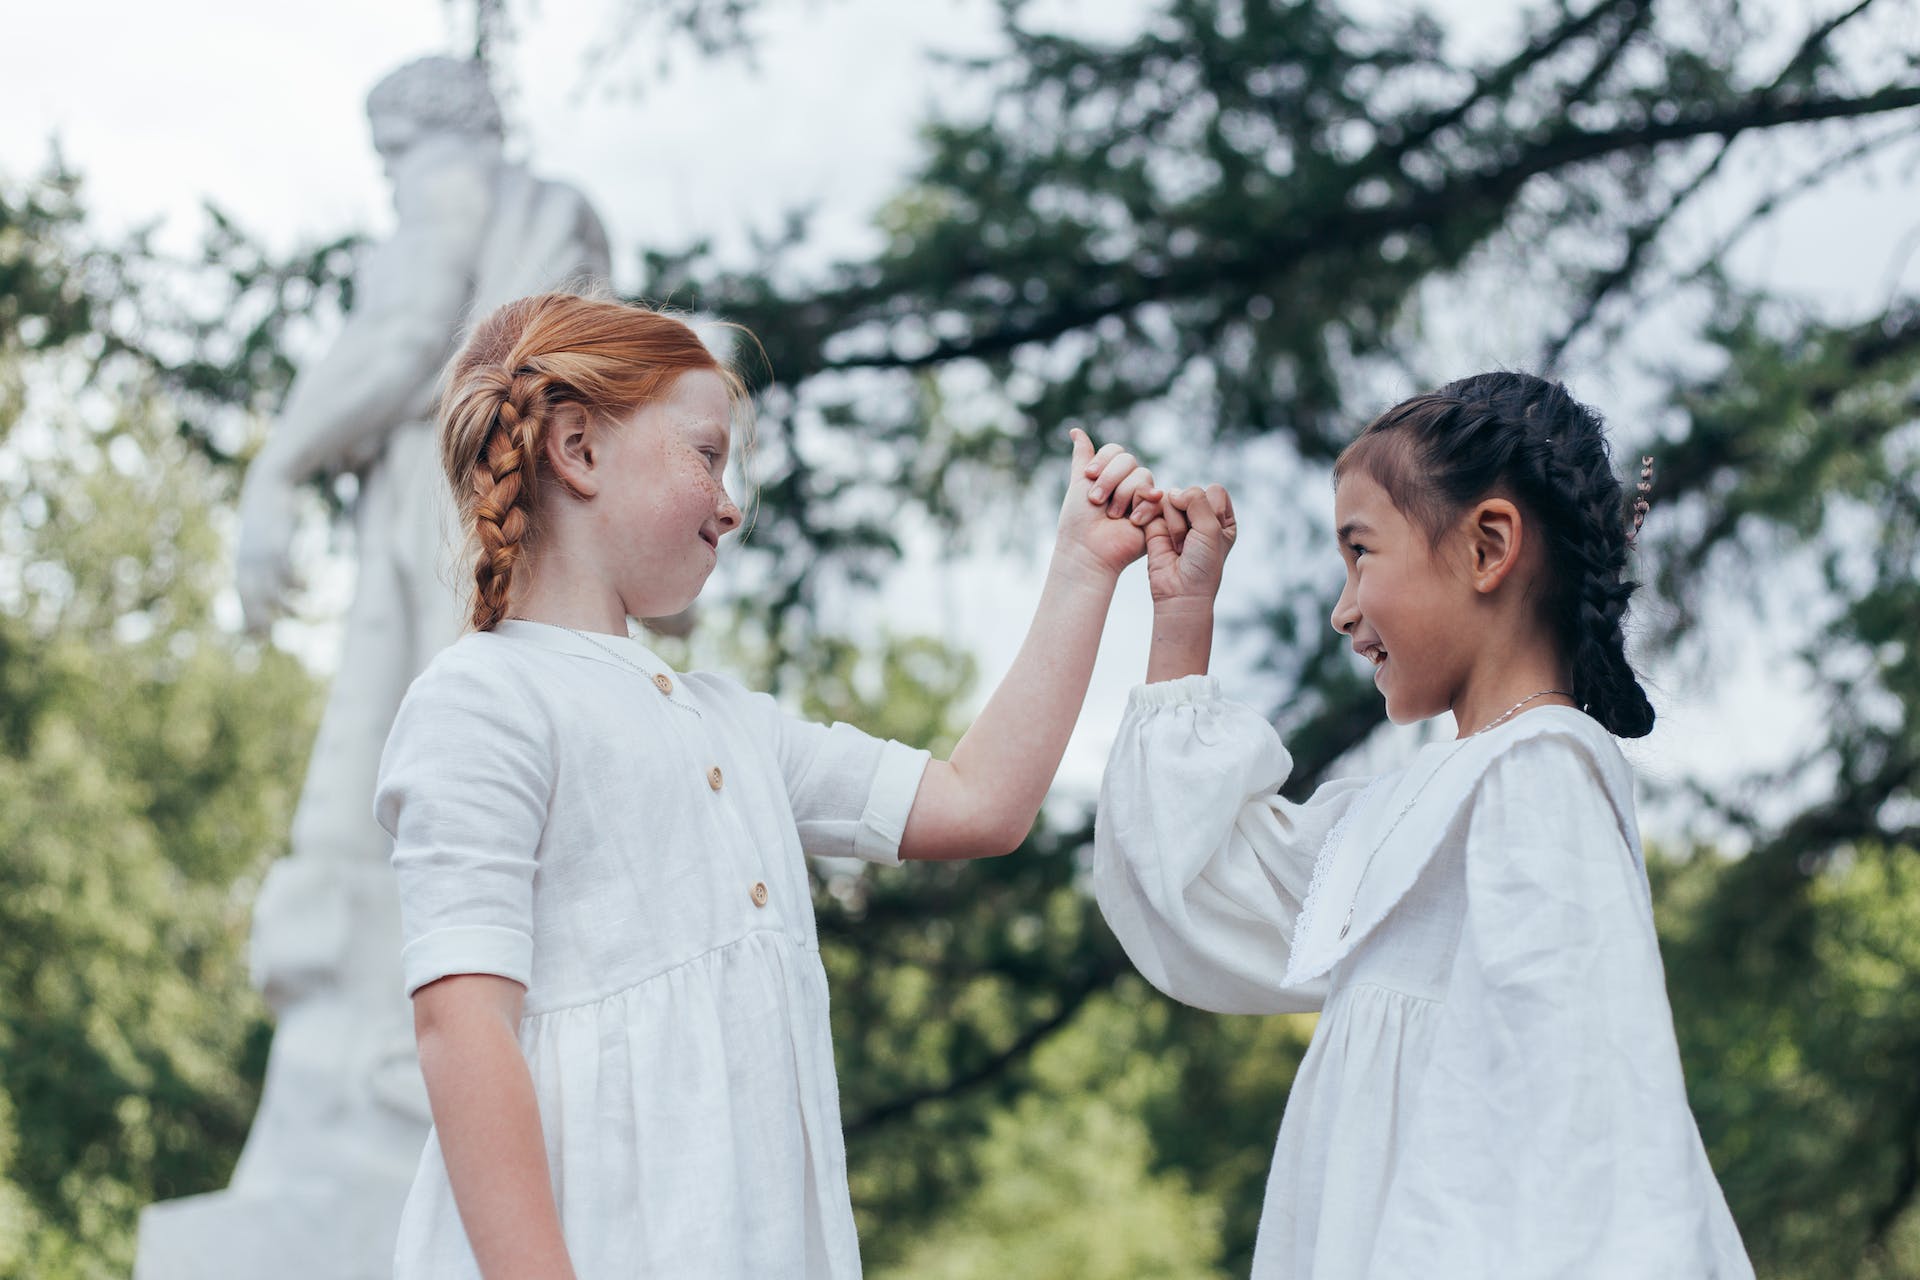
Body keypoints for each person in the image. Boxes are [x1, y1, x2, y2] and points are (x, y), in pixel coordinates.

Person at [374, 291, 1163, 1278]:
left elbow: (979, 801)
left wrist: (1084, 567)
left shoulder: (733, 728)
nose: (731, 501)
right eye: (707, 453)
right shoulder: (483, 698)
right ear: (577, 448)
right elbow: (463, 1024)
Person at [1094, 373, 1754, 1277]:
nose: (1343, 609)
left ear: (1488, 546)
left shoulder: (1539, 776)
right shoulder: (1410, 811)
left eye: (1361, 553)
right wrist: (1181, 614)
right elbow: (1193, 886)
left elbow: (1583, 1113)